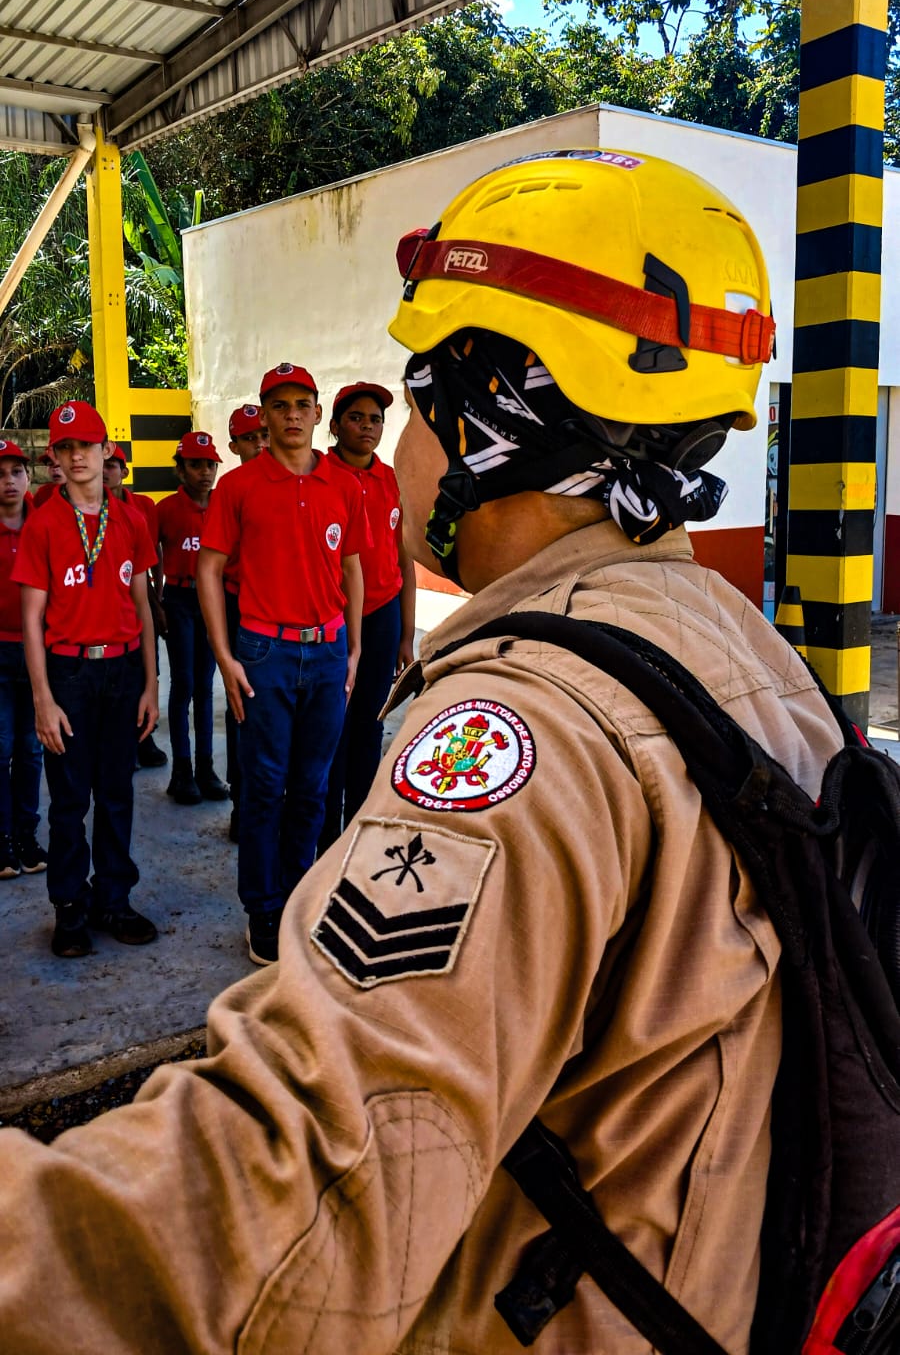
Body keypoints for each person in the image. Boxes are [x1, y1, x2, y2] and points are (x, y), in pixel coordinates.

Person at [0, 153, 844, 1353]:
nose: (388, 450)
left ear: (494, 415)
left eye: (413, 402)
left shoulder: (527, 733)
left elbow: (312, 1186)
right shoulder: (751, 658)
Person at [197, 363, 366, 965]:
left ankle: (302, 898)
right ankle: (264, 910)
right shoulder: (238, 488)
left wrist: (354, 647)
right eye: (280, 404)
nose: (292, 414)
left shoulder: (343, 485)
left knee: (314, 789)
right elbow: (209, 569)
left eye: (302, 403)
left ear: (317, 413)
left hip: (326, 653)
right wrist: (224, 654)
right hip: (263, 652)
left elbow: (352, 565)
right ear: (263, 417)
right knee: (266, 787)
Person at [13, 400, 159, 958]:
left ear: (106, 453)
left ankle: (113, 899)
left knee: (118, 792)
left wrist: (150, 684)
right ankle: (69, 908)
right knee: (70, 799)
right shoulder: (45, 522)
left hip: (122, 670)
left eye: (87, 447)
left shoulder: (130, 520)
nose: (78, 457)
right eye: (66, 448)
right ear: (55, 457)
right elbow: (31, 618)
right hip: (69, 672)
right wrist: (43, 700)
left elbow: (143, 607)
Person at [319, 382, 415, 852]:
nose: (367, 427)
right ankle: (323, 836)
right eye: (356, 418)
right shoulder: (320, 477)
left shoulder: (391, 479)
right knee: (333, 725)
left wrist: (405, 633)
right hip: (334, 621)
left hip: (382, 617)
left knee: (370, 723)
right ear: (334, 426)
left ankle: (355, 834)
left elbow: (403, 557)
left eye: (375, 419)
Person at [157, 432, 229, 806]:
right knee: (182, 682)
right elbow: (150, 557)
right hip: (181, 599)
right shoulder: (166, 509)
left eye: (210, 464)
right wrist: (158, 603)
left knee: (205, 684)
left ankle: (206, 768)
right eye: (196, 464)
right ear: (180, 469)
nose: (205, 472)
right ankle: (181, 770)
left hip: (212, 601)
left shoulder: (224, 505)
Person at [103, 444, 168, 770]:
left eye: (113, 465)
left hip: (140, 596)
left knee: (148, 665)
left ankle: (145, 734)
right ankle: (121, 742)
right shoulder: (87, 507)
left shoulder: (143, 506)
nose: (106, 470)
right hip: (107, 601)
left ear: (124, 471)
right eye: (104, 464)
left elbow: (154, 550)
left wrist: (157, 593)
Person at [222, 404, 268, 842]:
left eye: (262, 436)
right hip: (239, 605)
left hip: (279, 615)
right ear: (235, 446)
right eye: (250, 439)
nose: (260, 444)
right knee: (242, 705)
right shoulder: (232, 489)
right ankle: (243, 800)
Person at [0, 439, 45, 878]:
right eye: (0, 474)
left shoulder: (43, 526)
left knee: (31, 750)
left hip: (36, 652)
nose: (9, 481)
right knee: (0, 748)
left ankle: (28, 836)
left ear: (29, 477)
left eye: (16, 471)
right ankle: (2, 840)